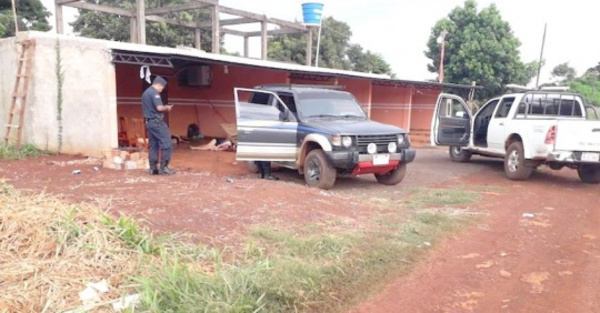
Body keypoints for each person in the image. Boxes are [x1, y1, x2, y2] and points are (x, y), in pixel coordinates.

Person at [141, 76, 175, 175]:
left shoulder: (145, 93)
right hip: (157, 122)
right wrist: (167, 108)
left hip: (149, 122)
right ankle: (164, 167)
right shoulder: (154, 93)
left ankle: (153, 168)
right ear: (158, 85)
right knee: (167, 143)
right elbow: (159, 108)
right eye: (161, 88)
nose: (161, 90)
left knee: (153, 145)